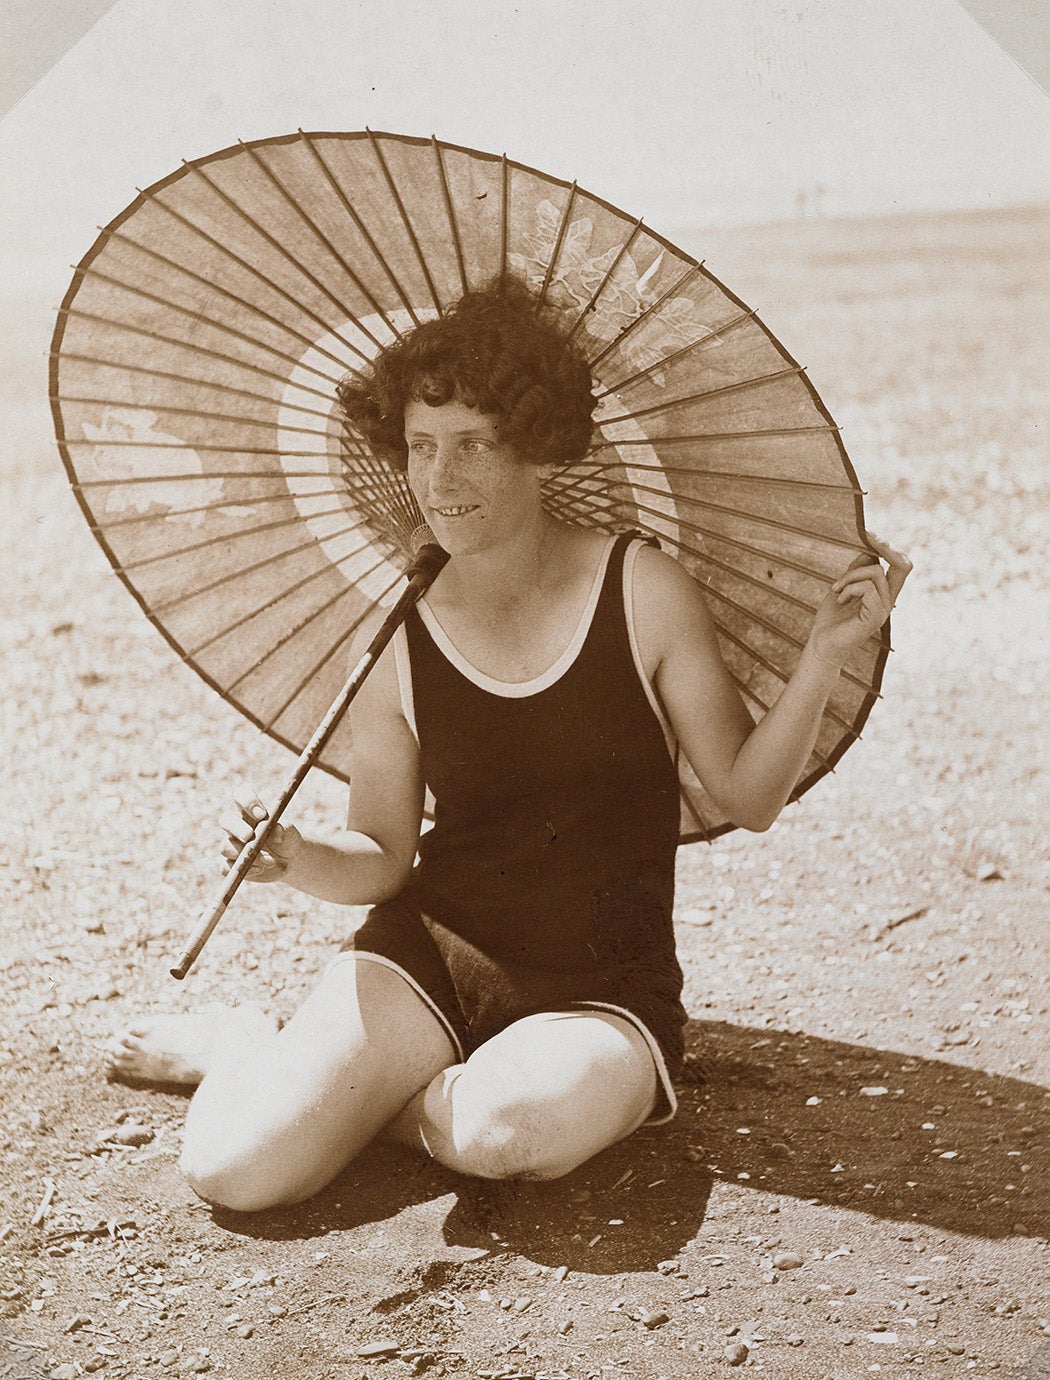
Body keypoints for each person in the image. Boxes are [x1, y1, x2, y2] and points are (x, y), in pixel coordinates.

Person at [106, 279, 911, 1212]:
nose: (441, 481)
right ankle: (248, 1044)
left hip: (602, 984)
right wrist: (292, 859)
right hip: (435, 955)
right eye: (420, 447)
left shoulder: (639, 588)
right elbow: (381, 858)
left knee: (512, 1131)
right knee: (236, 1171)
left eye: (475, 445)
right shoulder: (398, 634)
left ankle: (372, 1098)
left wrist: (823, 659)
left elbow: (746, 798)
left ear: (538, 447)